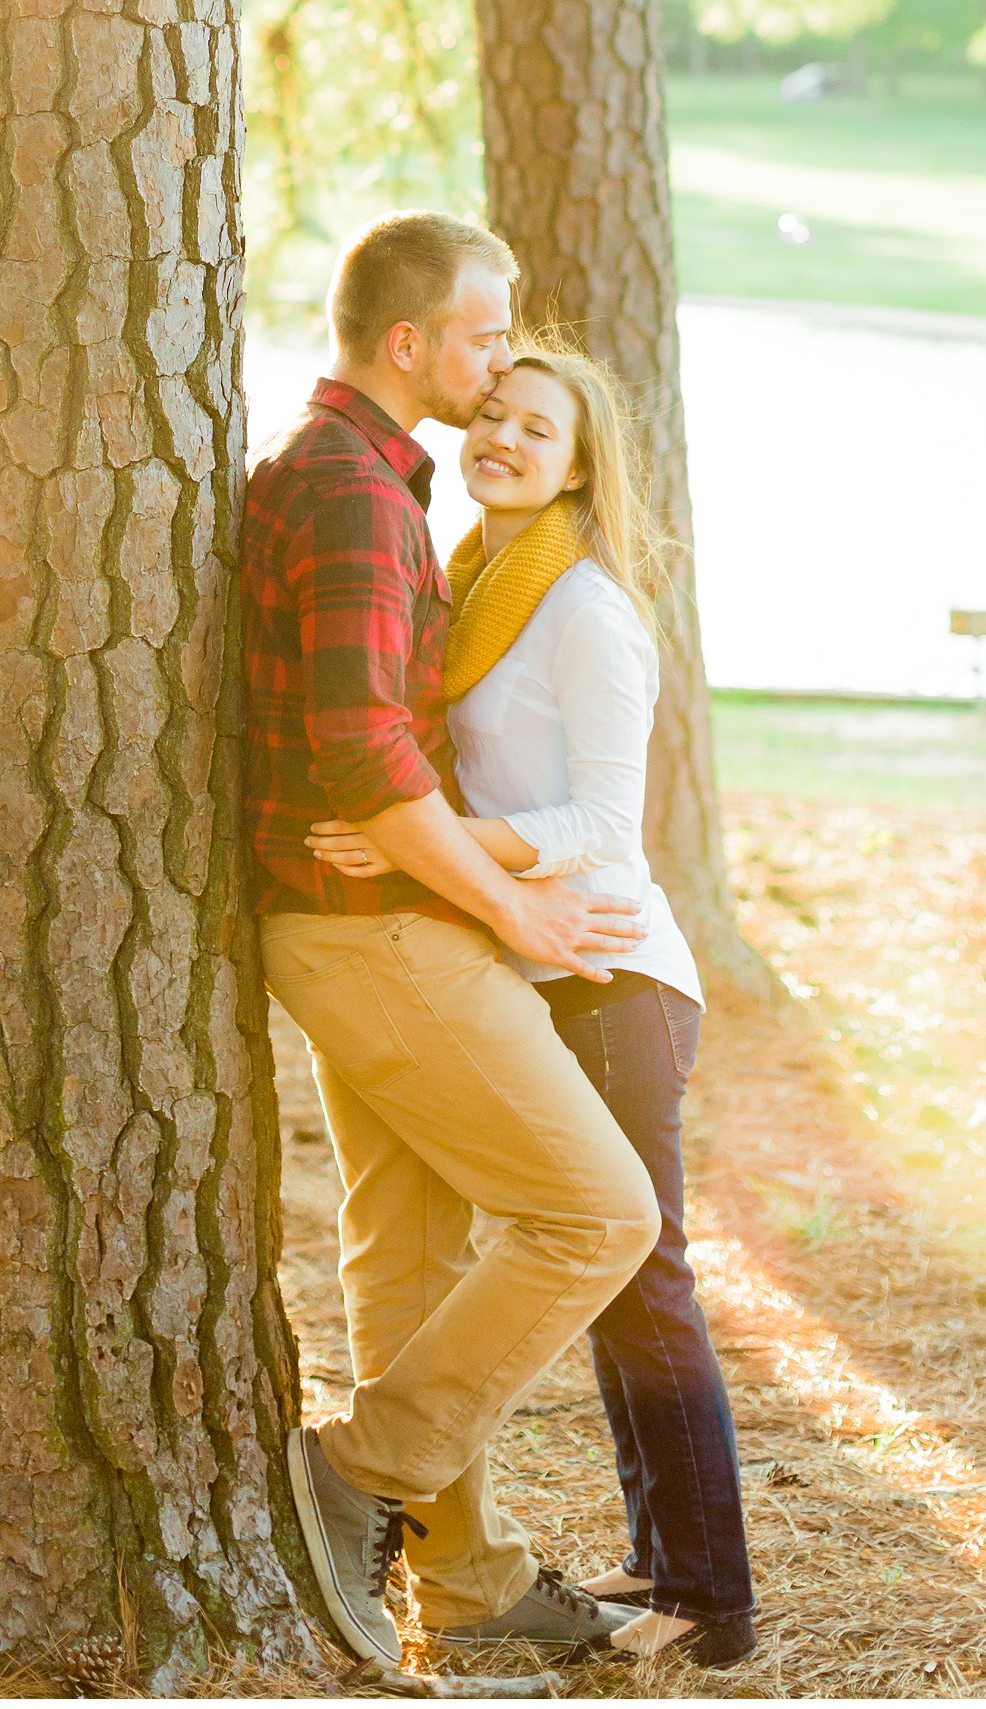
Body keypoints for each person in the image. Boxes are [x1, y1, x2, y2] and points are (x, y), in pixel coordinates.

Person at [243, 212, 662, 1669]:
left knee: (409, 1256)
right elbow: (363, 749)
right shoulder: (357, 492)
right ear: (409, 339)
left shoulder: (359, 474)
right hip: (373, 932)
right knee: (600, 1215)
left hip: (364, 918)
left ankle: (468, 1581)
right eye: (487, 337)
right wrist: (511, 899)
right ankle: (358, 1465)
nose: (497, 369)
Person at [310, 341, 758, 1669]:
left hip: (615, 974)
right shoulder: (473, 579)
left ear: (579, 462)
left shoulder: (583, 608)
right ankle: (663, 1552)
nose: (499, 436)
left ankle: (710, 1592)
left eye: (534, 427)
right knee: (608, 1272)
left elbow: (606, 821)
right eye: (491, 415)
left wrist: (420, 837)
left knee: (642, 1268)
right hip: (530, 961)